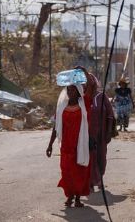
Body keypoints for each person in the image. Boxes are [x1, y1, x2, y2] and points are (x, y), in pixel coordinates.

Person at [46, 69, 92, 208]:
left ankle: (77, 198)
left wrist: (84, 72)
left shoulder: (84, 105)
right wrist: (50, 145)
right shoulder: (61, 108)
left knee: (79, 171)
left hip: (80, 144)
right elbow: (56, 127)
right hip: (66, 145)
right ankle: (70, 196)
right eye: (68, 90)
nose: (70, 92)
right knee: (66, 171)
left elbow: (89, 87)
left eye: (73, 90)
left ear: (78, 91)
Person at [88, 74, 115, 191]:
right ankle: (92, 181)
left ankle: (100, 178)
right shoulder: (82, 98)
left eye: (90, 83)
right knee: (90, 158)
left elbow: (110, 115)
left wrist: (109, 132)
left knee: (101, 157)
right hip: (88, 135)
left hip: (102, 134)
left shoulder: (102, 96)